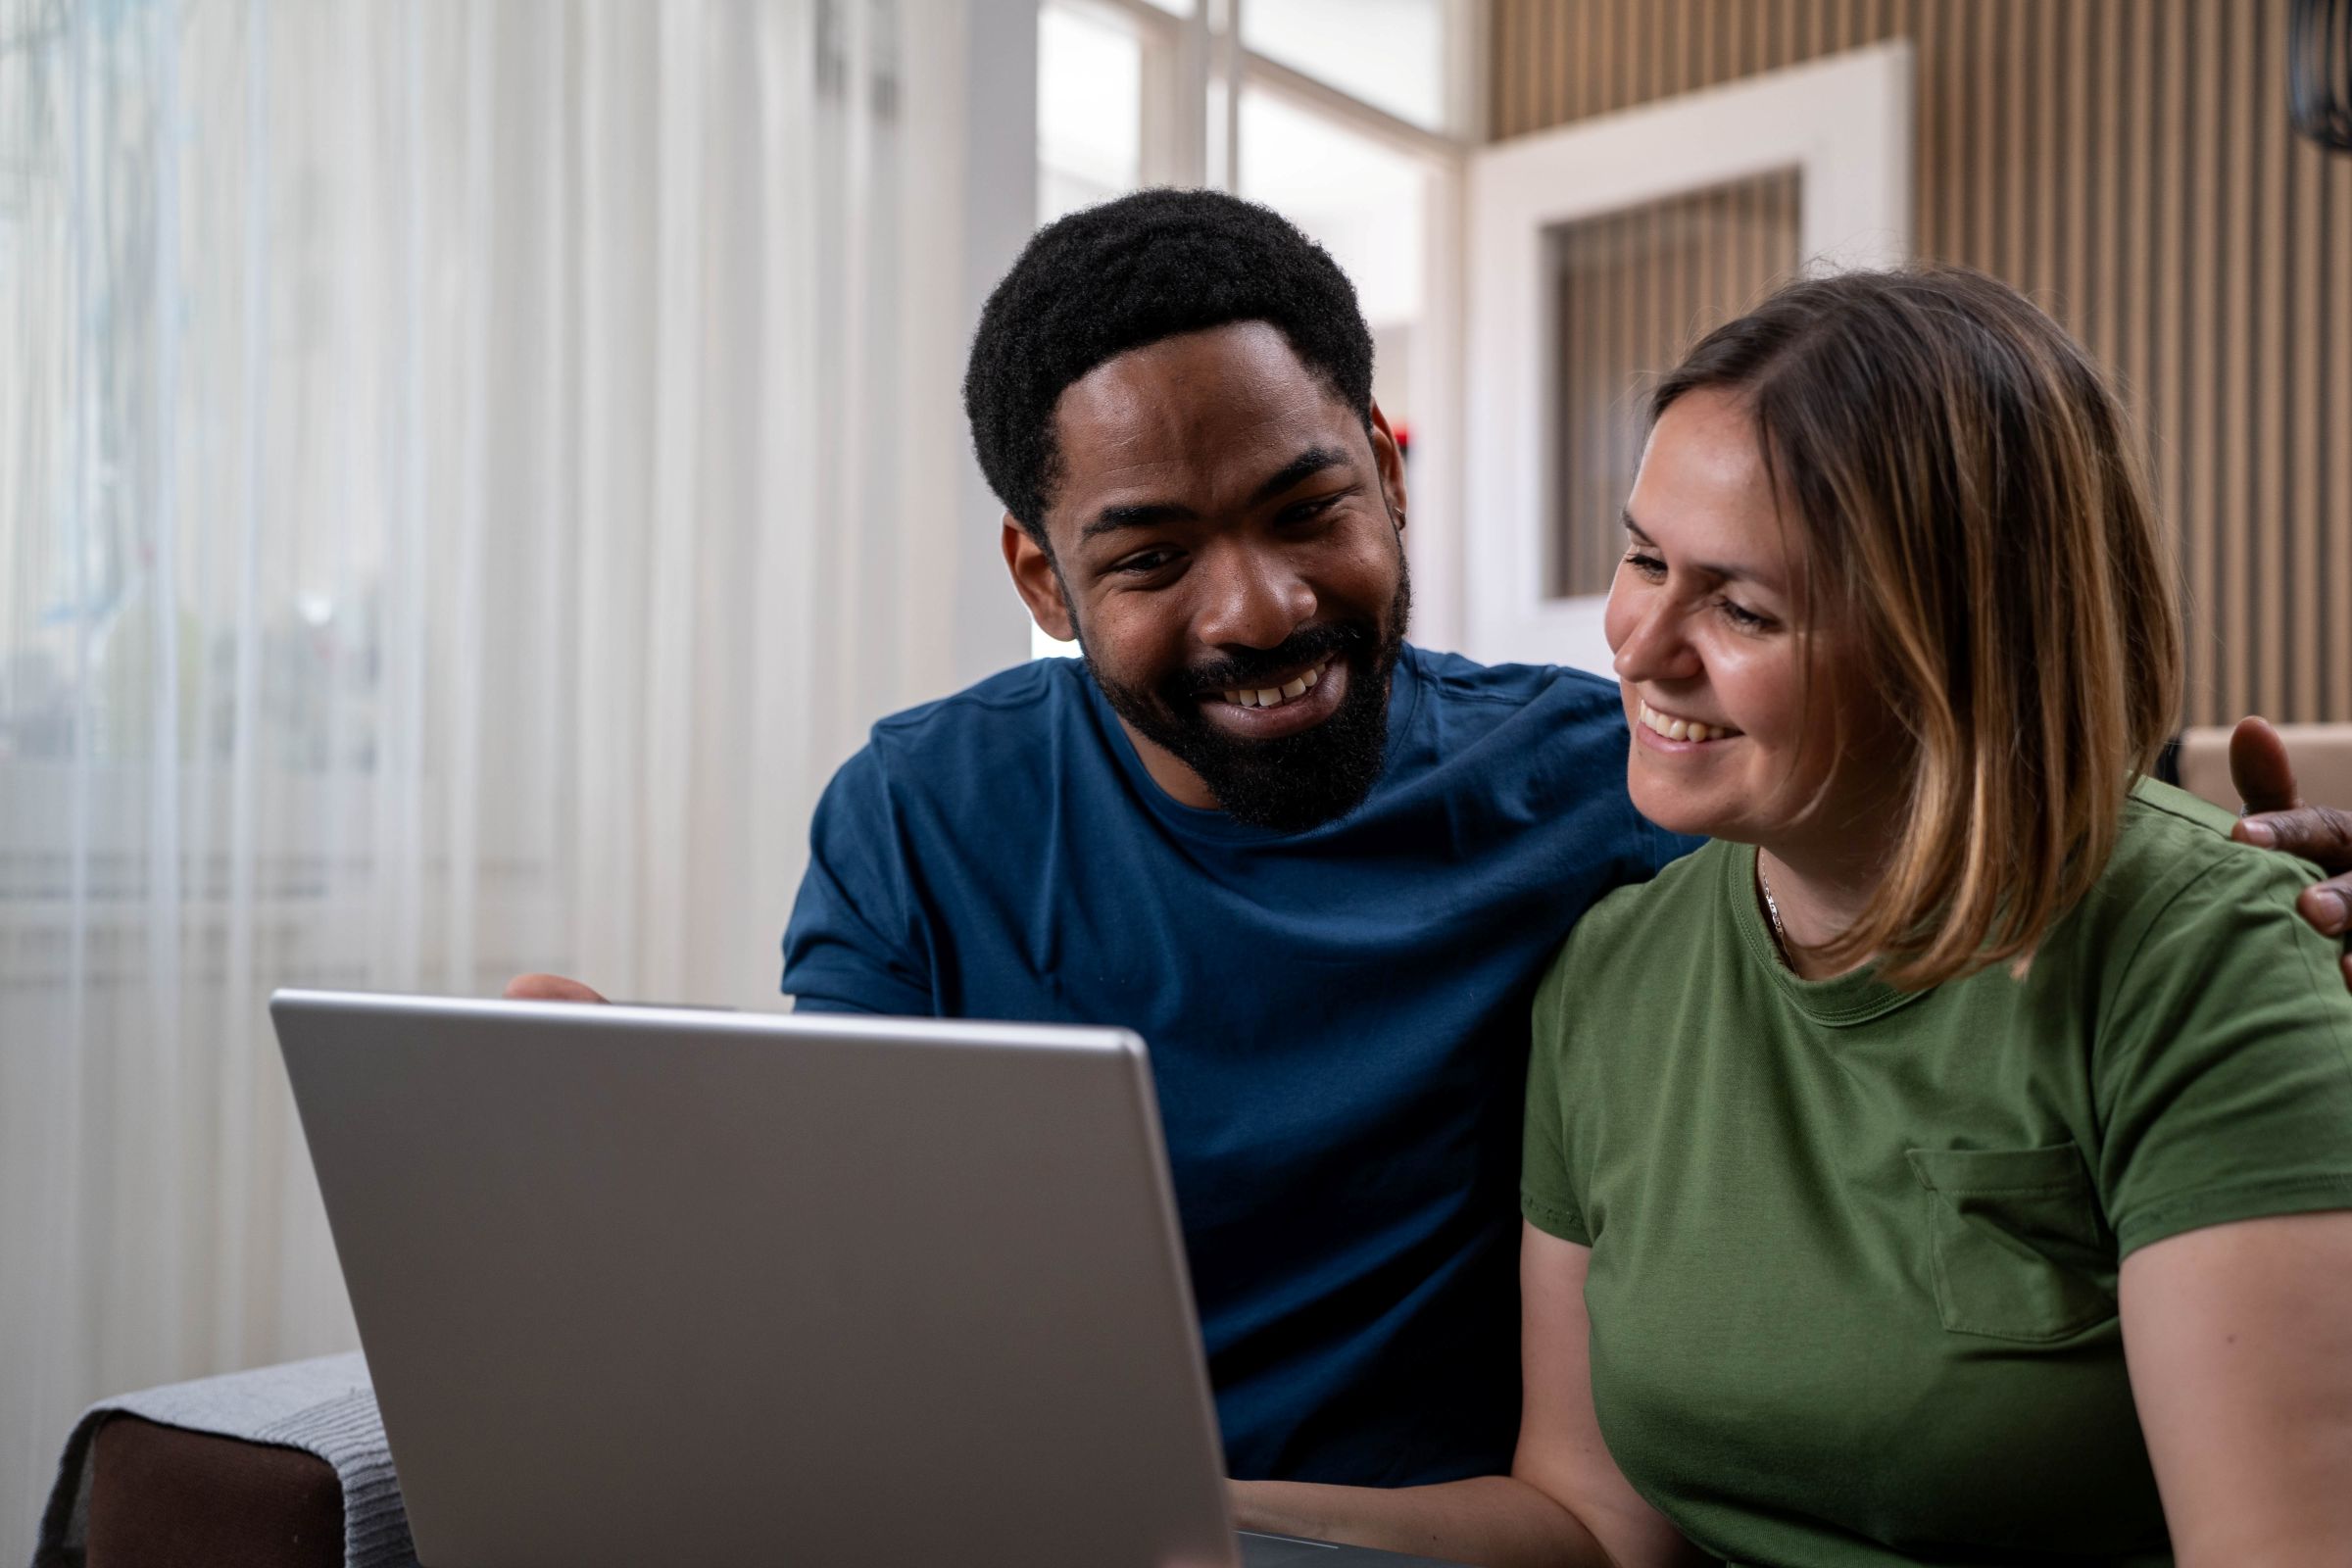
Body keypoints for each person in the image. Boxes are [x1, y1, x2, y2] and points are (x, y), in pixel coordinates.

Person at [513, 193, 2352, 1493]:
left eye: (1309, 505)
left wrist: (2263, 876)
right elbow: (853, 1264)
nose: (1256, 609)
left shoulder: (1604, 785)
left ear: (1391, 467)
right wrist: (661, 1197)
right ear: (1039, 578)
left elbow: (1945, 761)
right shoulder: (919, 820)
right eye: (1149, 557)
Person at [1229, 267, 2352, 1563]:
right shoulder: (1616, 971)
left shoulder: (2210, 950)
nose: (1642, 645)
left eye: (1743, 605)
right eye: (1645, 556)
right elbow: (1591, 1526)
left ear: (1958, 645)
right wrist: (1184, 1509)